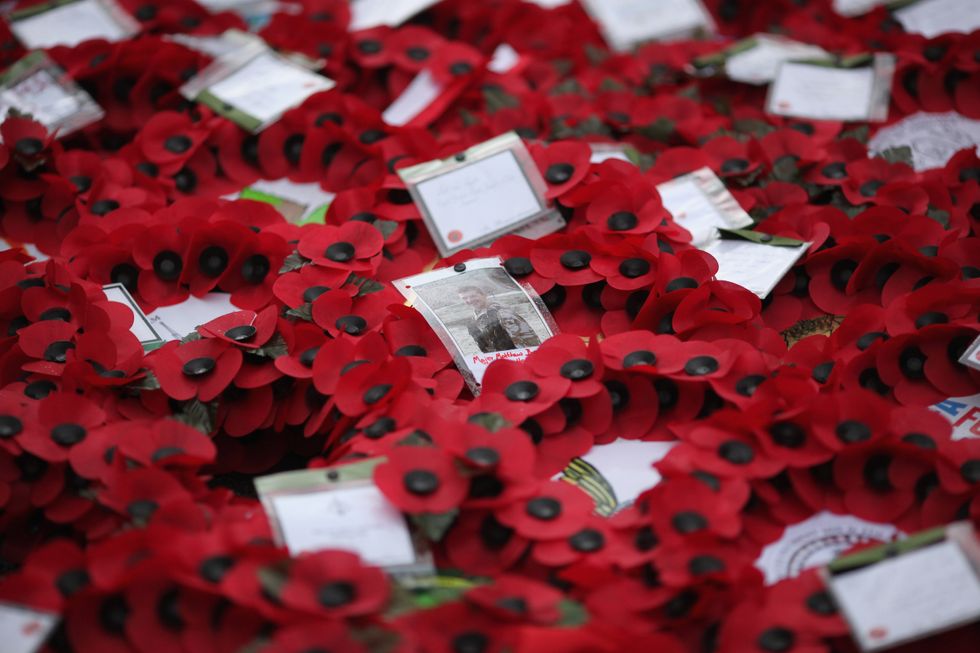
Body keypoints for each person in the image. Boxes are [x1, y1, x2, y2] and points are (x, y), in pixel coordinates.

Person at [457, 284, 539, 353]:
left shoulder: (502, 313)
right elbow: (485, 347)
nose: (469, 300)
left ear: (484, 295)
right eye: (464, 298)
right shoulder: (472, 321)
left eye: (473, 296)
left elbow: (529, 338)